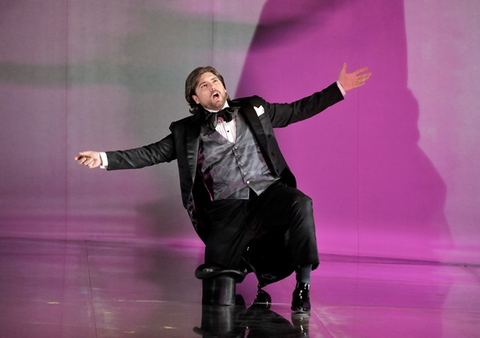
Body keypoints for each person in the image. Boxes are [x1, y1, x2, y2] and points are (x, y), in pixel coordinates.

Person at [75, 63, 371, 312]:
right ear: (195, 97)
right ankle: (240, 283)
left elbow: (296, 110)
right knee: (217, 290)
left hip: (267, 193)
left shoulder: (255, 108)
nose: (211, 85)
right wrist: (103, 158)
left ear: (224, 87)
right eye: (204, 85)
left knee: (300, 203)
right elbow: (149, 153)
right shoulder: (185, 131)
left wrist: (339, 88)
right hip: (226, 208)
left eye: (215, 80)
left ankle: (303, 287)